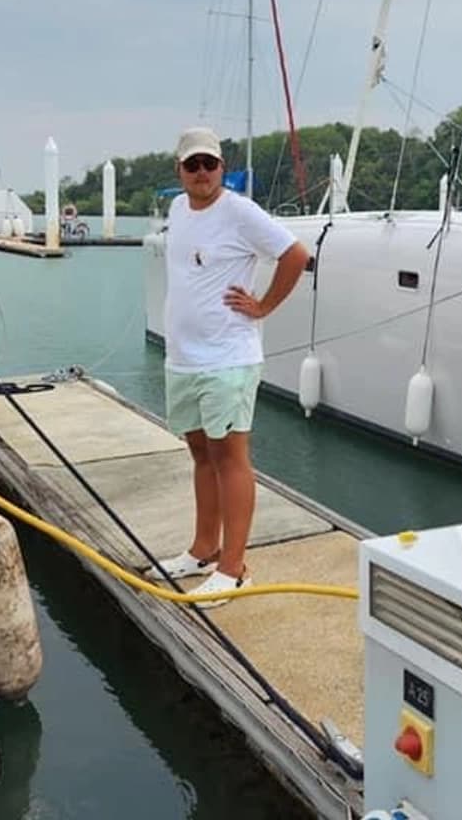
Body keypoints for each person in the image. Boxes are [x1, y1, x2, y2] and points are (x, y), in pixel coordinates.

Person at [152, 127, 310, 607]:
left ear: (222, 168)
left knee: (230, 456)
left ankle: (233, 568)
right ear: (179, 170)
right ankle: (203, 548)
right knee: (200, 453)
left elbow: (296, 254)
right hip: (183, 357)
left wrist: (262, 306)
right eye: (192, 165)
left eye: (210, 164)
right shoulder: (179, 209)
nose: (201, 173)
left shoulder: (238, 211)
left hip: (227, 359)